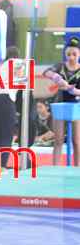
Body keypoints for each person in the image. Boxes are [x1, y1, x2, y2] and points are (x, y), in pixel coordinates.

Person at [0, 46, 27, 174]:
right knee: (7, 135)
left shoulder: (0, 66)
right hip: (4, 98)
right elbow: (20, 74)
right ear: (17, 55)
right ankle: (2, 167)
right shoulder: (17, 62)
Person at [44, 37, 80, 166]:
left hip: (76, 106)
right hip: (60, 105)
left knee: (76, 141)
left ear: (79, 54)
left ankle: (77, 168)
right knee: (58, 140)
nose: (71, 57)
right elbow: (46, 72)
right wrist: (55, 77)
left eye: (74, 54)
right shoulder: (60, 66)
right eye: (68, 54)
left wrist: (75, 91)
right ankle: (56, 167)